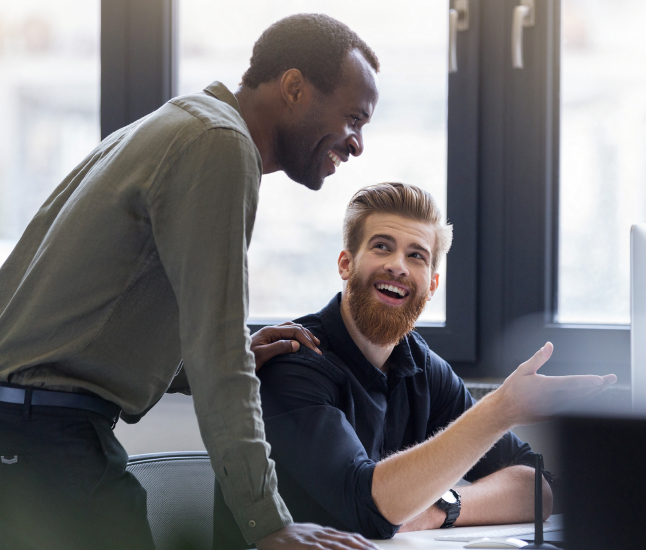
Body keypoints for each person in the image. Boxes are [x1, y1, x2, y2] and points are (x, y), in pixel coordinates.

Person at [0, 14, 381, 550]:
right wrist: (268, 523)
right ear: (294, 88)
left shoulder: (180, 124)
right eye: (353, 118)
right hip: (43, 441)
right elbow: (218, 354)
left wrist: (214, 357)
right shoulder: (220, 144)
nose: (358, 144)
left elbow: (90, 318)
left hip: (31, 434)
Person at [213, 182, 617, 544]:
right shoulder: (295, 359)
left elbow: (539, 487)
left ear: (432, 284)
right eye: (381, 246)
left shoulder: (422, 366)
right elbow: (371, 509)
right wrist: (502, 409)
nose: (399, 266)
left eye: (417, 255)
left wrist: (441, 507)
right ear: (345, 264)